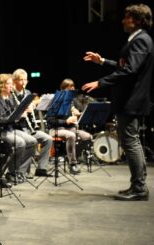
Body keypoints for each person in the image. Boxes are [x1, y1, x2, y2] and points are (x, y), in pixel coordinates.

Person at [82, 3, 153, 201]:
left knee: (131, 142)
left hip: (131, 100)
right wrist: (102, 61)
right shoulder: (138, 40)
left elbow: (130, 71)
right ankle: (136, 185)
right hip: (130, 100)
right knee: (130, 141)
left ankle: (139, 188)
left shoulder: (140, 40)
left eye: (127, 17)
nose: (123, 20)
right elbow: (126, 66)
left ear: (138, 20)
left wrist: (100, 82)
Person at [0, 73, 36, 184]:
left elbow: (14, 115)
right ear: (2, 85)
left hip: (11, 128)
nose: (12, 86)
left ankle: (20, 171)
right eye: (9, 84)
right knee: (20, 143)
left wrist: (21, 114)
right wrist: (15, 117)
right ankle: (11, 172)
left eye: (12, 84)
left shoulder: (11, 97)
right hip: (1, 130)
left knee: (32, 141)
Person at [12, 68, 53, 177]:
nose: (24, 82)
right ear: (14, 80)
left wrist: (32, 107)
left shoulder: (28, 93)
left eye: (25, 80)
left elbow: (30, 108)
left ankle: (41, 169)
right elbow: (10, 113)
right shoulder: (11, 94)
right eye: (21, 80)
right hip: (17, 128)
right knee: (32, 141)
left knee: (48, 139)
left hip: (28, 127)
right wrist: (21, 112)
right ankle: (21, 171)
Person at [47, 78, 92, 174]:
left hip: (70, 129)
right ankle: (72, 164)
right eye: (69, 88)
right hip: (56, 129)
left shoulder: (72, 101)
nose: (72, 90)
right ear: (63, 89)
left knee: (87, 137)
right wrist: (66, 121)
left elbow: (80, 111)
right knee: (71, 135)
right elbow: (50, 121)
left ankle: (71, 156)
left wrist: (76, 114)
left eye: (73, 87)